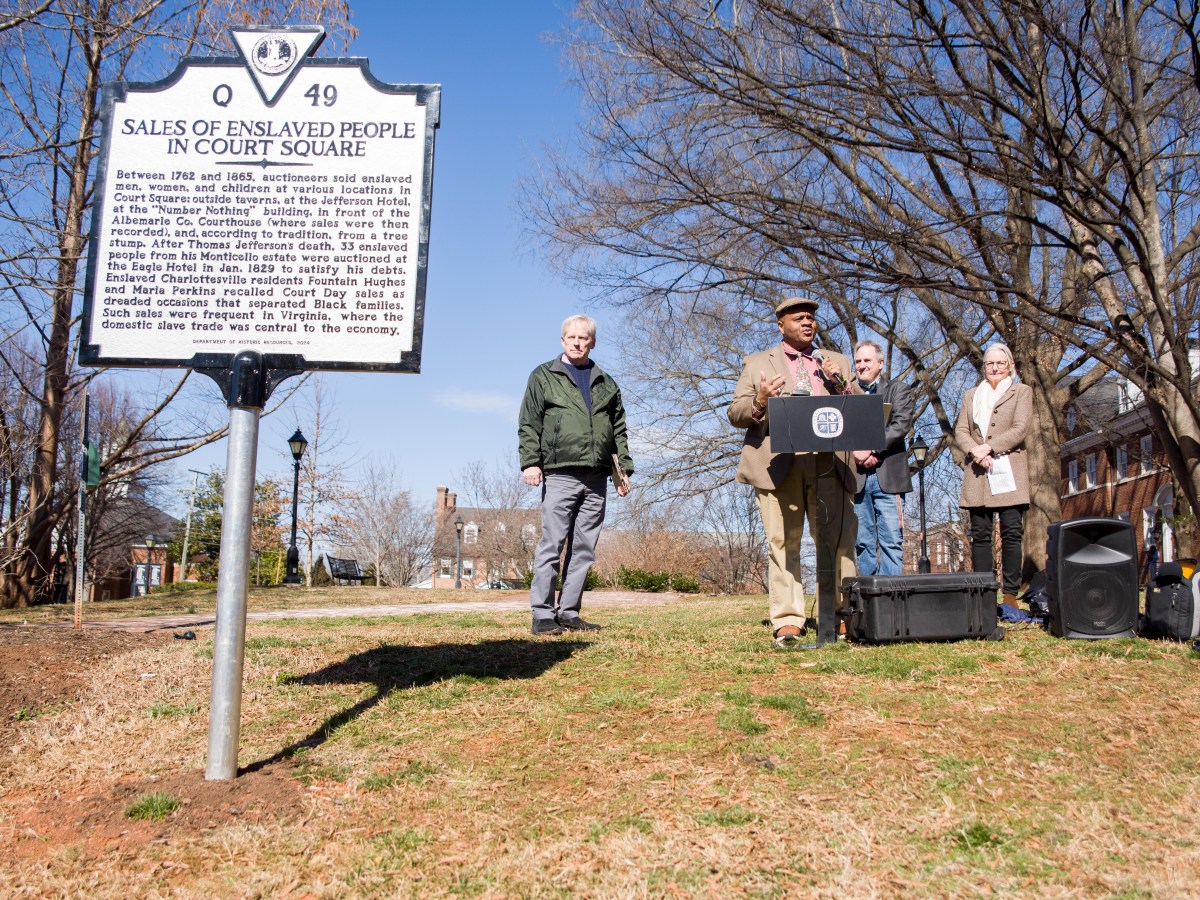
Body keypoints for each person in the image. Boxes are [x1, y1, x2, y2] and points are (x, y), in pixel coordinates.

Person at [729, 296, 857, 647]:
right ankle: (788, 619)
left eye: (811, 318)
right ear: (780, 325)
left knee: (838, 540)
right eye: (799, 318)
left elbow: (862, 406)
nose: (807, 323)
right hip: (779, 463)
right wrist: (761, 400)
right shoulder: (757, 363)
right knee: (783, 541)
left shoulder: (837, 361)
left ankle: (841, 613)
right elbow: (736, 411)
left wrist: (842, 383)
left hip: (829, 462)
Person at [519, 314, 633, 635]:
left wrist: (621, 471)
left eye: (583, 338)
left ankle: (569, 611)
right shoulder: (543, 376)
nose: (577, 342)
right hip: (560, 473)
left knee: (584, 548)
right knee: (552, 544)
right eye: (571, 337)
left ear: (592, 342)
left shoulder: (607, 383)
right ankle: (542, 614)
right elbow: (529, 423)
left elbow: (618, 431)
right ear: (562, 341)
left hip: (596, 477)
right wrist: (531, 462)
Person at [954, 343, 1033, 605]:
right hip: (978, 471)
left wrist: (990, 447)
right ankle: (982, 592)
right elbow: (961, 431)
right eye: (990, 363)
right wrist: (977, 451)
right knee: (980, 533)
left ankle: (1010, 594)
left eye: (1000, 363)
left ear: (1010, 365)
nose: (995, 368)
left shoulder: (1021, 392)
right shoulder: (971, 395)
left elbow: (1021, 428)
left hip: (1008, 468)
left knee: (1011, 531)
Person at [851, 340, 914, 577]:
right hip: (856, 478)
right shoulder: (847, 393)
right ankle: (870, 602)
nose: (862, 365)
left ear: (880, 363)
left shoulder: (898, 389)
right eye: (858, 361)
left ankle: (891, 601)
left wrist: (872, 450)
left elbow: (900, 425)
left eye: (867, 360)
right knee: (863, 542)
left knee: (891, 540)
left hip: (888, 476)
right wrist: (856, 454)